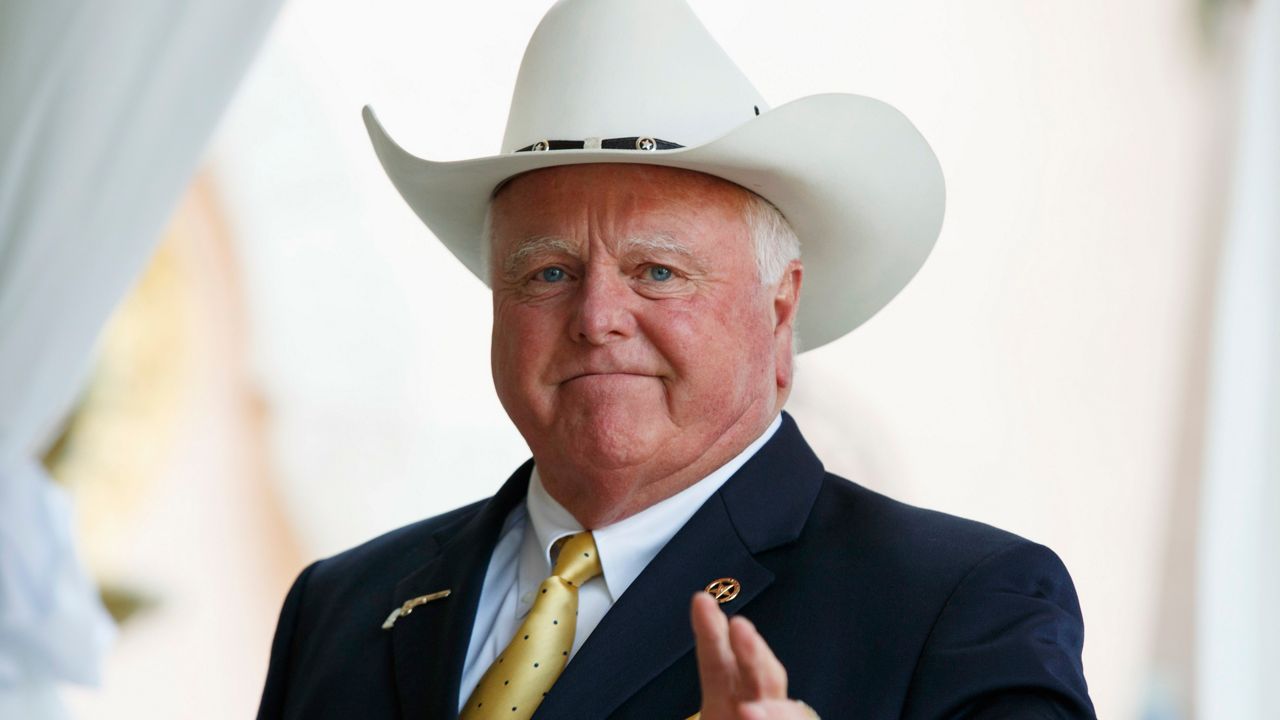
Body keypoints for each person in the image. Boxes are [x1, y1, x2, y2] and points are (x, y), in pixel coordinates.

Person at [257, 1, 1095, 718]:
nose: (596, 318)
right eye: (549, 272)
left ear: (780, 308)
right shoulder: (342, 608)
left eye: (656, 272)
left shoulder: (959, 606)